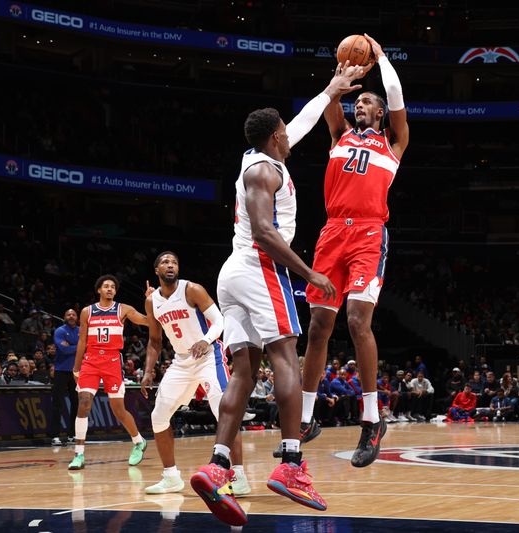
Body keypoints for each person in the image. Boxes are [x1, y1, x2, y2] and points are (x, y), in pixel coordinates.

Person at [191, 62, 367, 527]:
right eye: (285, 133)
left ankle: (218, 465)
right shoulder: (264, 174)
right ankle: (292, 464)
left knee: (244, 373)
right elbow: (266, 234)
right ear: (274, 138)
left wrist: (332, 88)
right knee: (287, 358)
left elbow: (306, 121)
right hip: (258, 268)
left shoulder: (263, 160)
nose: (292, 136)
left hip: (232, 275)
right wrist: (312, 273)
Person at [300, 33, 409, 469]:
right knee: (318, 328)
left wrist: (380, 58)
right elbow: (330, 95)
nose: (357, 106)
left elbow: (398, 96)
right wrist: (342, 71)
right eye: (357, 102)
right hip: (331, 234)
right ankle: (306, 418)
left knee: (357, 320)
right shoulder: (339, 134)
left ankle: (371, 419)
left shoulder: (393, 142)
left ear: (380, 113)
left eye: (365, 103)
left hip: (368, 234)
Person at [140, 252, 250, 496]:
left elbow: (219, 321)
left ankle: (239, 475)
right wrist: (148, 371)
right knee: (158, 417)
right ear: (156, 270)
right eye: (165, 262)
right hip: (181, 362)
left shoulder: (192, 290)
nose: (171, 265)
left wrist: (205, 340)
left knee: (223, 411)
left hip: (209, 356)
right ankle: (171, 478)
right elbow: (155, 341)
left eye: (174, 262)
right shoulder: (152, 302)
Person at [68, 275, 149, 470]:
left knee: (118, 410)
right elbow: (82, 341)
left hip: (112, 361)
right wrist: (76, 367)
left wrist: (151, 301)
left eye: (113, 286)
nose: (110, 289)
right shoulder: (87, 311)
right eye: (106, 286)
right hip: (91, 360)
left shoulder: (124, 309)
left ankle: (138, 441)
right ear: (99, 290)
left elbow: (147, 320)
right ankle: (78, 454)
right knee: (84, 403)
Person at [51, 309, 80, 446]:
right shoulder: (60, 331)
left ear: (77, 317)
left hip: (76, 372)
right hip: (61, 370)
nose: (71, 316)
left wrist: (72, 346)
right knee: (57, 403)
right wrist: (79, 346)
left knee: (76, 404)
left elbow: (87, 347)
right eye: (68, 314)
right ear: (64, 317)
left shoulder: (81, 331)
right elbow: (64, 349)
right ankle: (55, 436)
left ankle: (72, 435)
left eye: (73, 314)